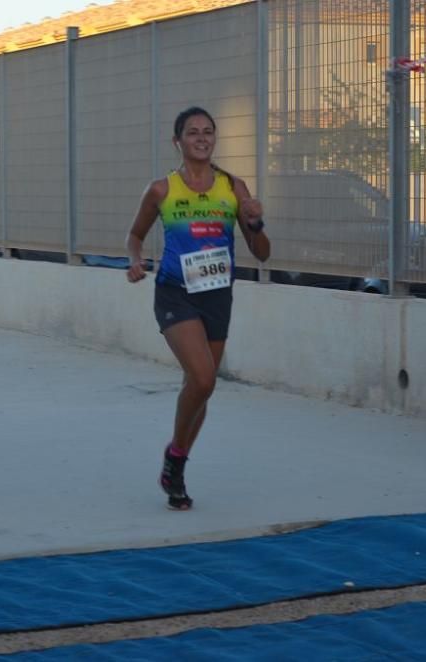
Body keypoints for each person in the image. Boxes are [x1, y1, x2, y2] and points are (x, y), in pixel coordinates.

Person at [126, 107, 270, 510]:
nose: (202, 138)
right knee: (204, 379)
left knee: (201, 389)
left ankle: (176, 464)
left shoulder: (234, 188)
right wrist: (134, 260)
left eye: (208, 132)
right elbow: (135, 235)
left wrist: (255, 224)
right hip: (176, 292)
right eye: (193, 133)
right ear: (178, 142)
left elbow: (262, 254)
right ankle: (176, 454)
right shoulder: (161, 190)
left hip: (217, 294)